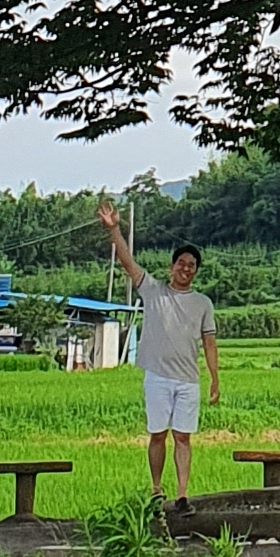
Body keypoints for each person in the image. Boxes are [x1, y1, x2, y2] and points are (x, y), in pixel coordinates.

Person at [98, 195, 222, 504]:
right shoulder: (153, 291)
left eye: (192, 266)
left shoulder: (202, 303)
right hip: (157, 377)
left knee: (183, 436)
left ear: (196, 271)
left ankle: (181, 494)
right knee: (158, 434)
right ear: (172, 267)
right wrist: (114, 230)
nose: (186, 269)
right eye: (182, 263)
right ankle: (157, 489)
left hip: (188, 380)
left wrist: (215, 378)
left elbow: (209, 342)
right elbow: (127, 261)